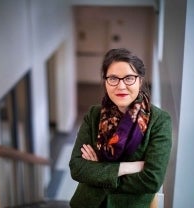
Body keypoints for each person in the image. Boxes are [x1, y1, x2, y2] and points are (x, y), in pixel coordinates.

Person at [69, 48, 172, 208]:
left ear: (140, 80)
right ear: (105, 81)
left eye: (129, 78)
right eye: (113, 78)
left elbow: (152, 180)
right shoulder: (94, 114)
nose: (121, 86)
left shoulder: (159, 121)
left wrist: (98, 170)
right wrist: (127, 167)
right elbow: (77, 168)